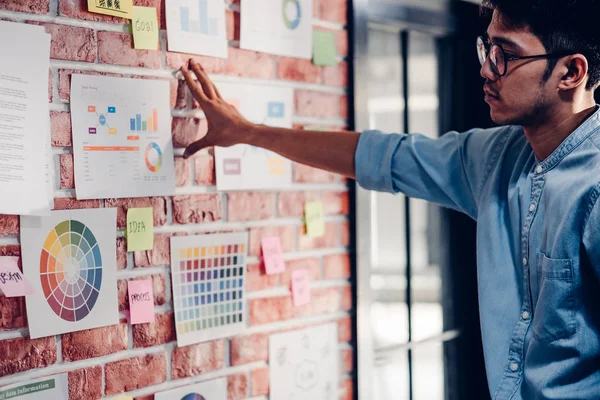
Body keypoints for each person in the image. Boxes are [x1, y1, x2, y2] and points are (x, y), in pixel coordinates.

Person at [180, 0, 600, 398]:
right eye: (487, 47)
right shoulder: (497, 158)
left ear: (571, 72)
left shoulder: (593, 188)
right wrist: (249, 133)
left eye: (506, 53)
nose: (487, 70)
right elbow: (384, 156)